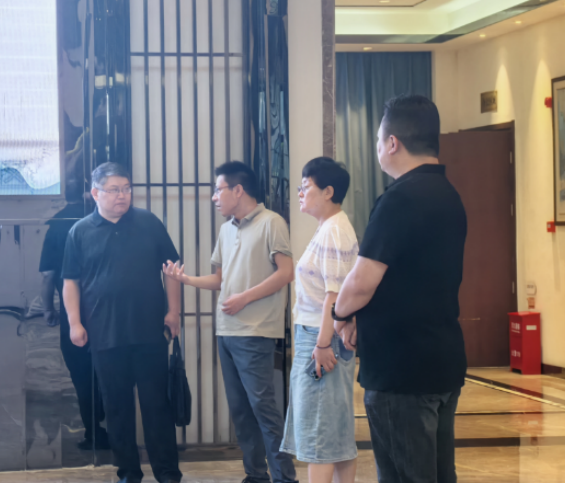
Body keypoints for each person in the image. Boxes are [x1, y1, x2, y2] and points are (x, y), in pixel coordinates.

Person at [332, 94, 468, 483]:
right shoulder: (450, 196)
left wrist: (340, 314)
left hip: (401, 368)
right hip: (441, 358)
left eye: (379, 139)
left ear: (392, 143)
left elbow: (362, 281)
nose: (378, 147)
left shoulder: (399, 199)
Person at [163, 161, 297, 484]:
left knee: (263, 408)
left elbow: (286, 272)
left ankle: (285, 478)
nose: (214, 197)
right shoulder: (226, 229)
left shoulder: (272, 222)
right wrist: (185, 280)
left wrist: (244, 298)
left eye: (218, 189)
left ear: (238, 190)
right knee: (240, 409)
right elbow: (220, 280)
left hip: (255, 332)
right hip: (226, 331)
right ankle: (255, 474)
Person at [62, 162, 183, 483]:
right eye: (114, 190)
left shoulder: (148, 222)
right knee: (117, 409)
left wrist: (173, 311)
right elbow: (70, 282)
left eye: (127, 189)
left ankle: (168, 473)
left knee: (157, 406)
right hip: (104, 334)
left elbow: (172, 269)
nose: (122, 196)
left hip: (149, 332)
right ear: (95, 193)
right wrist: (75, 323)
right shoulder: (80, 231)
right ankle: (128, 472)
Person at [280, 157, 358, 483]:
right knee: (334, 432)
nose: (300, 193)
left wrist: (323, 344)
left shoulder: (334, 230)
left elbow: (333, 296)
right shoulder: (330, 227)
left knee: (319, 434)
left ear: (328, 192)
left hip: (321, 337)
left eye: (306, 186)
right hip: (320, 335)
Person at [38, 201, 110, 452]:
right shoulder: (104, 222)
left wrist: (48, 309)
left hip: (73, 318)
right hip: (108, 316)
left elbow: (48, 276)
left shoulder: (55, 227)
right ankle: (118, 431)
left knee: (82, 378)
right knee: (113, 375)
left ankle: (94, 431)